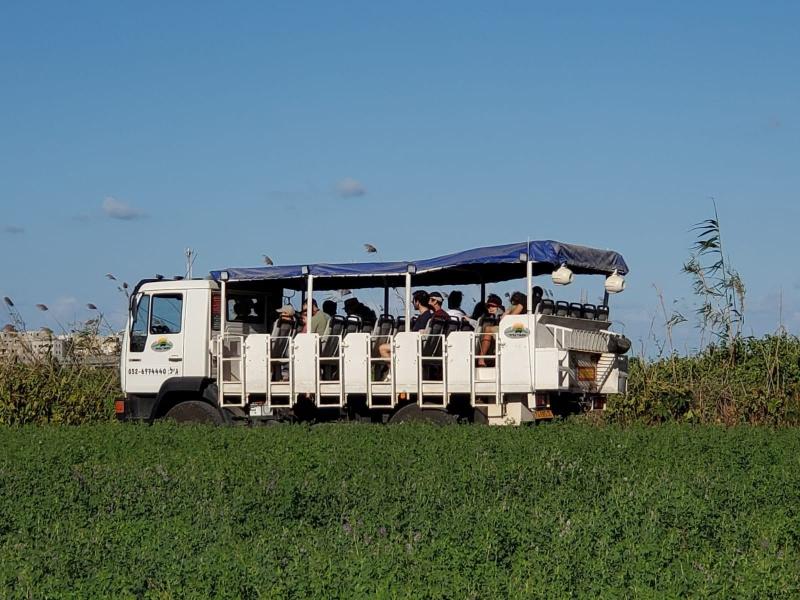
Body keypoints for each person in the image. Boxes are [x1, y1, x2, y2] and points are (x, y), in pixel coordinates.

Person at [477, 294, 504, 367]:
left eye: (492, 306)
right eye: (488, 306)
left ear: (498, 306)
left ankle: (481, 359)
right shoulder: (487, 317)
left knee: (488, 329)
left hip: (503, 338)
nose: (490, 308)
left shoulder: (501, 315)